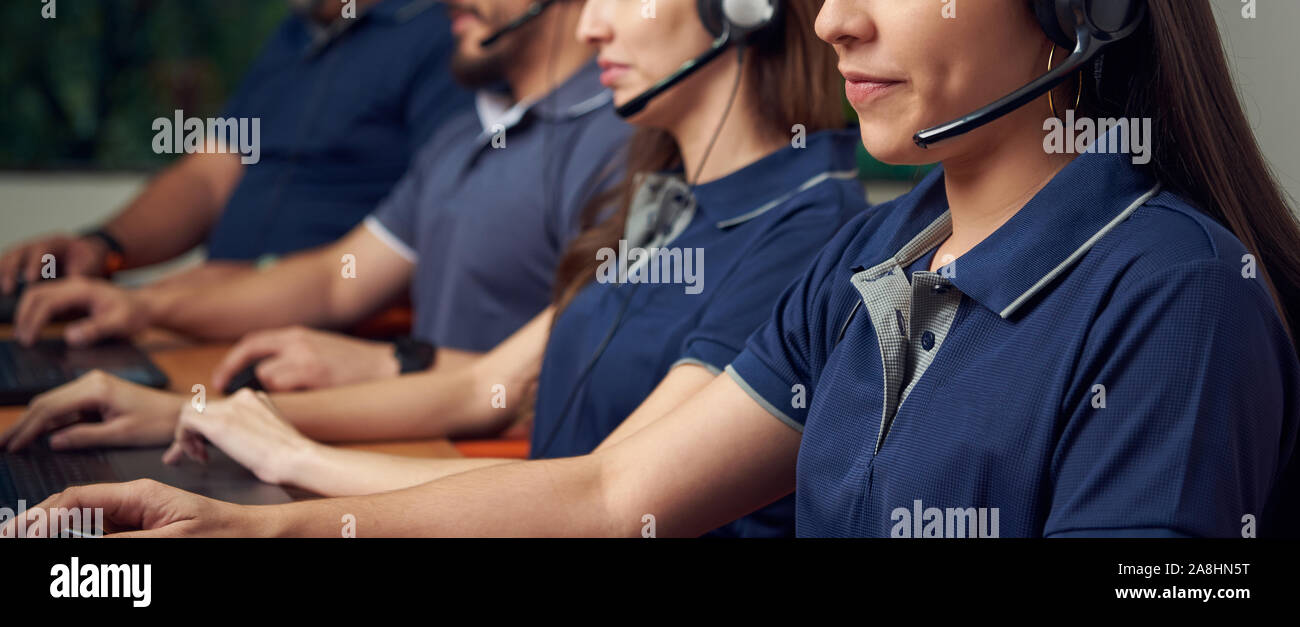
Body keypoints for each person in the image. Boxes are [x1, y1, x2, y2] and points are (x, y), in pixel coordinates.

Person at [10, 0, 1299, 539]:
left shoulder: (1174, 297)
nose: (837, 17)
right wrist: (251, 524)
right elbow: (609, 492)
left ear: (1081, 13)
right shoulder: (878, 251)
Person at [2, 0, 863, 539]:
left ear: (741, 9)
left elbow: (606, 497)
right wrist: (187, 409)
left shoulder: (801, 229)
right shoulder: (661, 198)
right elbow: (479, 385)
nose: (592, 21)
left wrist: (289, 482)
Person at [8, 0, 632, 391]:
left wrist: (393, 366)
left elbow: (564, 386)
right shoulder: (464, 130)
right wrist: (137, 301)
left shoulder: (621, 140)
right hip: (408, 416)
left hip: (473, 447)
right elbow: (337, 276)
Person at [0, 0, 471, 296]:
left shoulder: (448, 35)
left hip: (320, 339)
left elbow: (439, 225)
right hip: (211, 319)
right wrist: (102, 247)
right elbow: (208, 175)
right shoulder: (293, 37)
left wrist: (257, 283)